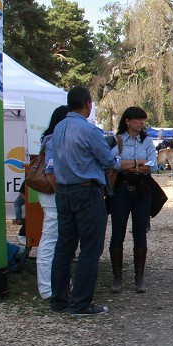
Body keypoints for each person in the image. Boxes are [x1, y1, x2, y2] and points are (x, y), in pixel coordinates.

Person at [48, 87, 121, 316]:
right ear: (88, 104)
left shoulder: (58, 128)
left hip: (63, 191)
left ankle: (59, 300)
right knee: (90, 248)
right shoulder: (89, 130)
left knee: (64, 248)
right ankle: (81, 303)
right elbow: (109, 161)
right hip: (87, 191)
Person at [108, 106, 158, 294]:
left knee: (140, 233)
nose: (141, 122)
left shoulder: (147, 141)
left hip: (141, 190)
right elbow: (114, 164)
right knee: (117, 232)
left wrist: (129, 166)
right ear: (127, 121)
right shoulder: (117, 140)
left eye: (143, 119)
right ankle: (117, 278)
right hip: (121, 190)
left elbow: (153, 165)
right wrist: (139, 163)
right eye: (138, 119)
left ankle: (139, 278)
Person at [36, 105, 69, 301]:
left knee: (56, 240)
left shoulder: (47, 138)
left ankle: (55, 283)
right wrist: (61, 193)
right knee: (50, 239)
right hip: (53, 193)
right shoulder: (52, 140)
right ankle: (47, 288)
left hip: (52, 192)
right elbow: (51, 170)